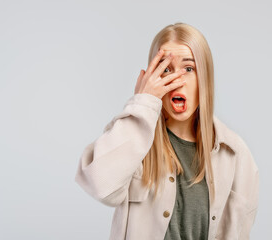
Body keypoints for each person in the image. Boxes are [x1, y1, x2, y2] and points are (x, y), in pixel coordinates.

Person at [75, 22, 259, 240]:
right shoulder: (134, 138)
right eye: (166, 69)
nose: (177, 82)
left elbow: (237, 233)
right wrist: (143, 104)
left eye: (189, 69)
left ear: (205, 79)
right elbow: (100, 186)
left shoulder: (235, 153)